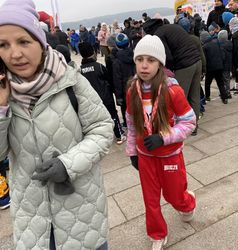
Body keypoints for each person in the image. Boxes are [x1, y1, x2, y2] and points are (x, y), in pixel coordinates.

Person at [0, 0, 114, 249]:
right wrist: (1, 109)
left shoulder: (70, 80)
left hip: (81, 213)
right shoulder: (3, 91)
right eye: (3, 45)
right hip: (32, 221)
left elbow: (103, 129)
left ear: (40, 43)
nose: (15, 54)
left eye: (23, 41)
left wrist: (68, 164)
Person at [126, 34, 196, 250]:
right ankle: (157, 234)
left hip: (170, 155)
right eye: (140, 59)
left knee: (174, 196)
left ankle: (187, 202)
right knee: (150, 199)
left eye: (151, 60)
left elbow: (189, 122)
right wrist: (132, 152)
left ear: (160, 64)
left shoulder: (172, 90)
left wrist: (163, 138)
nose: (144, 65)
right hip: (146, 157)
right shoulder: (132, 91)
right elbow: (131, 123)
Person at [78, 42, 126, 144]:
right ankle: (119, 135)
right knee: (113, 115)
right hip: (106, 98)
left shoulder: (80, 71)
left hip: (91, 101)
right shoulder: (99, 67)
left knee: (95, 121)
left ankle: (99, 139)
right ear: (93, 53)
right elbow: (109, 80)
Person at [112, 33, 136, 128]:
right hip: (137, 84)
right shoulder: (135, 56)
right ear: (129, 44)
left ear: (117, 46)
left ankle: (127, 123)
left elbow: (117, 79)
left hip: (125, 88)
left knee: (126, 107)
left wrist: (118, 96)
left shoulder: (116, 61)